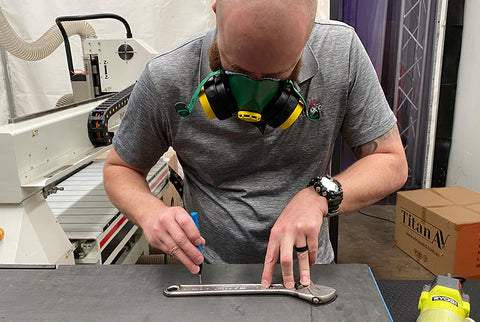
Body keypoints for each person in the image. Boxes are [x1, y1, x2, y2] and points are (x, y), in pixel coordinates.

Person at [103, 0, 408, 290]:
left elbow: (391, 162)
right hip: (206, 276)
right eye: (238, 72)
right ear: (216, 8)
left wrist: (318, 197)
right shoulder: (168, 77)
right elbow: (120, 168)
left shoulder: (341, 53)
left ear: (308, 35)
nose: (252, 99)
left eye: (276, 77)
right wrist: (148, 212)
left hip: (307, 275)